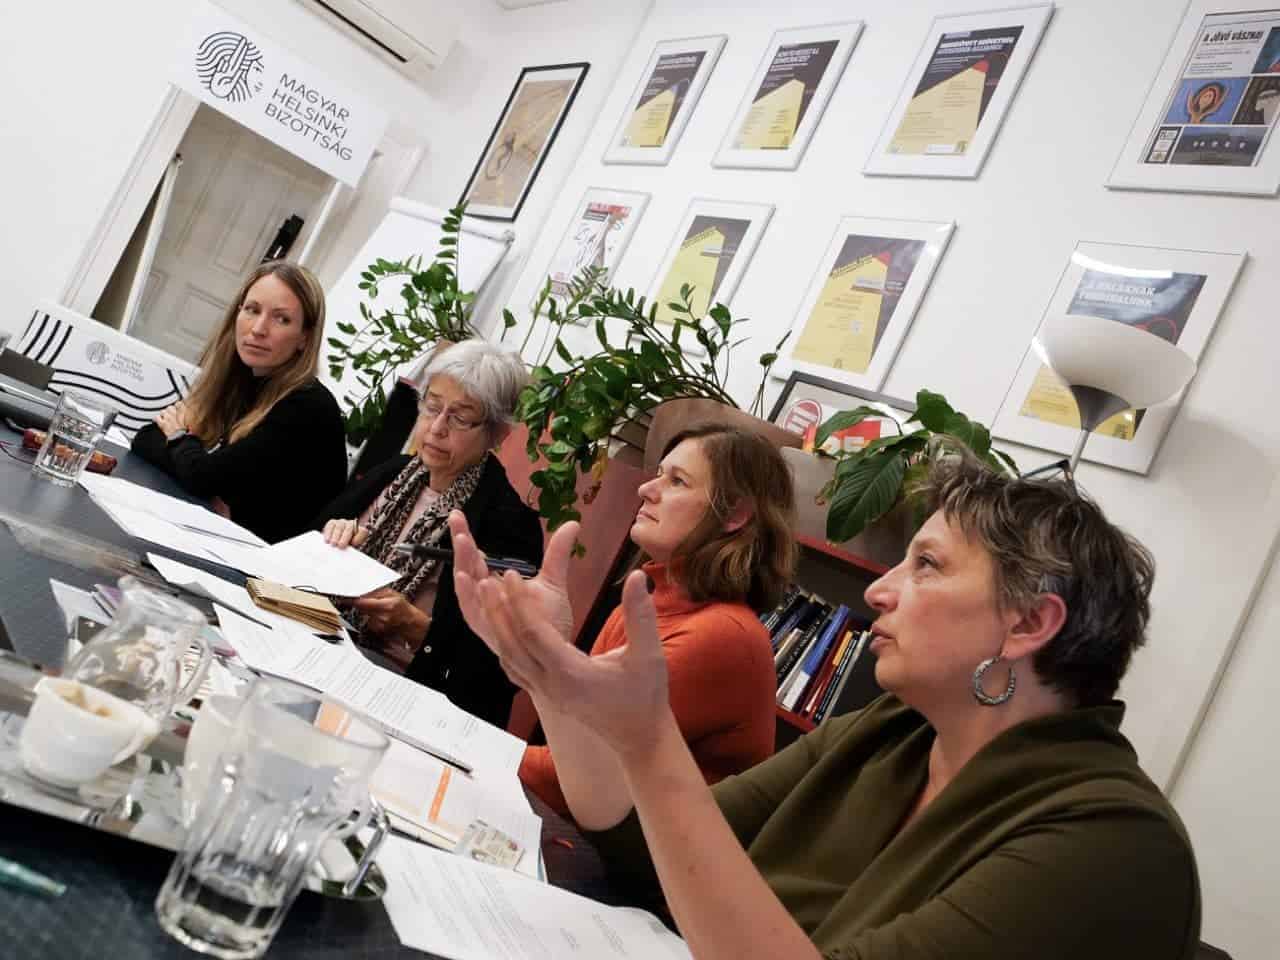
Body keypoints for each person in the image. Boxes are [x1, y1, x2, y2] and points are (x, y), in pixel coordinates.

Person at [448, 447, 1201, 959]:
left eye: (927, 566)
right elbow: (644, 848)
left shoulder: (1115, 843)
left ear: (1028, 623)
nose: (879, 591)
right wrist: (550, 678)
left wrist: (645, 742)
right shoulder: (893, 731)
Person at [519, 422, 796, 816]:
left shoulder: (724, 636)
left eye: (677, 481)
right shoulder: (644, 607)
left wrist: (468, 745)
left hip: (628, 850)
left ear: (734, 514)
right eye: (658, 474)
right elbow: (575, 743)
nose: (646, 489)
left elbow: (583, 774)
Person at [317, 339, 542, 729]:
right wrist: (333, 539)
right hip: (333, 647)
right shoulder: (395, 473)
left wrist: (415, 626)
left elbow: (499, 670)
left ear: (498, 434)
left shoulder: (510, 526)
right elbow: (307, 549)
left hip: (413, 698)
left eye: (460, 418)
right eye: (432, 407)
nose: (436, 429)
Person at [131, 261, 347, 544]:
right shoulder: (246, 379)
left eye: (281, 319)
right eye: (252, 310)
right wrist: (190, 458)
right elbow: (145, 440)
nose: (258, 329)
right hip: (224, 541)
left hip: (266, 563)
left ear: (305, 338)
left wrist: (180, 437)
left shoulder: (307, 406)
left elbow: (201, 476)